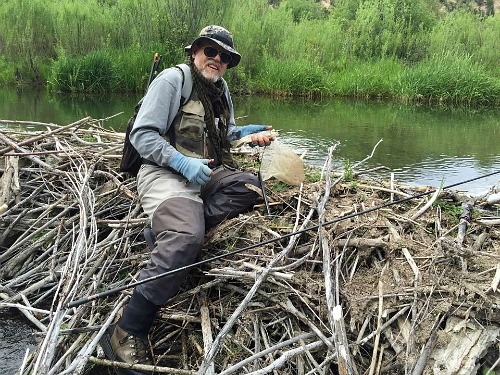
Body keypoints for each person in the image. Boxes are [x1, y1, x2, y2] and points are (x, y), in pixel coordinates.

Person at [100, 25, 273, 374]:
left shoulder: (220, 91)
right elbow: (142, 135)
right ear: (195, 52)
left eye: (225, 57)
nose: (217, 60)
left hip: (205, 173)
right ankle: (127, 328)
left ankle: (167, 230)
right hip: (165, 173)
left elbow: (225, 134)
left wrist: (248, 135)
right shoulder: (172, 81)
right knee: (186, 238)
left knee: (252, 188)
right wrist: (180, 161)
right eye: (211, 51)